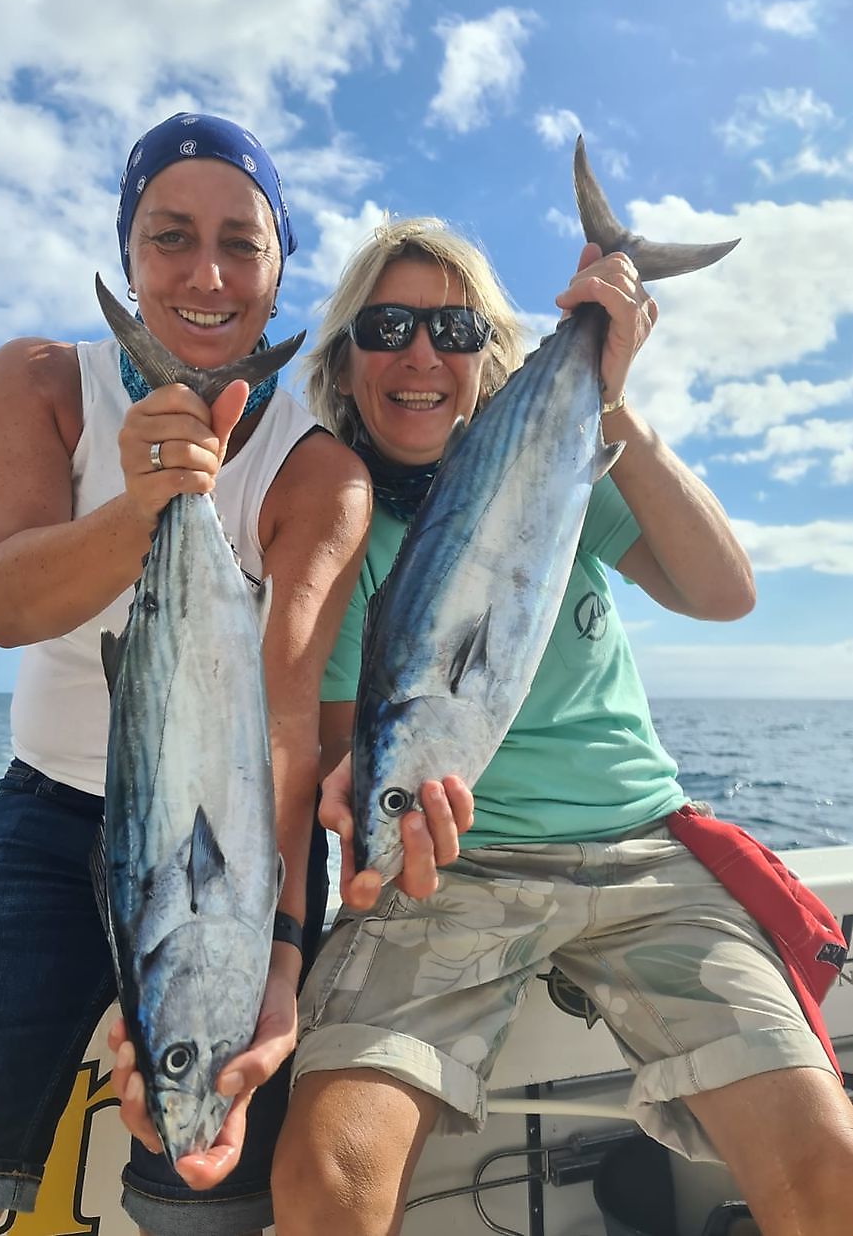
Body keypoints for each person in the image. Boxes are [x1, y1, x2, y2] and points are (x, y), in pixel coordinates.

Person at [265, 216, 853, 1236]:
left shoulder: (560, 470)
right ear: (345, 358)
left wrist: (611, 396)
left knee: (826, 1160)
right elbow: (350, 744)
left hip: (642, 857)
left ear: (485, 358)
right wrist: (365, 806)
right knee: (327, 1178)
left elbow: (724, 593)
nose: (420, 355)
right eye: (388, 326)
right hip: (451, 869)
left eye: (454, 331)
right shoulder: (338, 521)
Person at [0, 112, 374, 1236]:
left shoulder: (320, 471)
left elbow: (283, 719)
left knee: (204, 1199)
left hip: (232, 833)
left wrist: (276, 945)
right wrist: (150, 502)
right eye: (170, 237)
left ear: (279, 271)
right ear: (128, 252)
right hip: (44, 816)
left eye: (241, 245)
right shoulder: (40, 379)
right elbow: (6, 604)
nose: (206, 275)